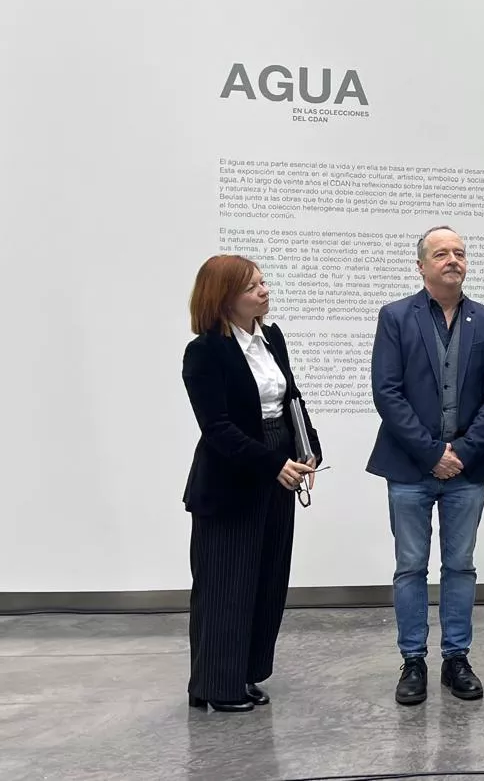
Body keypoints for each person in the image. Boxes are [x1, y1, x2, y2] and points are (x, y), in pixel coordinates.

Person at [368, 225, 484, 704]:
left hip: (467, 469)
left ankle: (456, 659)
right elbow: (386, 392)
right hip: (410, 467)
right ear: (422, 265)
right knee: (410, 567)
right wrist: (432, 453)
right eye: (442, 253)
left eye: (460, 253)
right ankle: (412, 662)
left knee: (460, 566)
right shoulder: (395, 317)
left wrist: (462, 452)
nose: (453, 260)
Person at [181, 254, 321, 712]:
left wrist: (308, 447)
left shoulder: (272, 337)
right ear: (224, 298)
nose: (264, 291)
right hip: (233, 476)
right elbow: (217, 428)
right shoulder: (204, 351)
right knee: (226, 582)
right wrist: (271, 464)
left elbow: (291, 396)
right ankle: (215, 686)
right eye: (253, 287)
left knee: (266, 576)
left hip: (278, 464)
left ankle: (243, 673)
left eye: (264, 283)